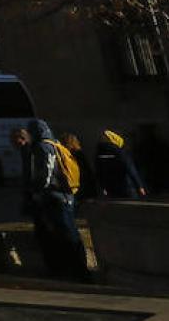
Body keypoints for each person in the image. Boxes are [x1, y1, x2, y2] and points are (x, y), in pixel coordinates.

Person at [17, 120, 89, 282]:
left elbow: (46, 174)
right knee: (67, 232)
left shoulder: (43, 147)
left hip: (56, 197)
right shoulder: (54, 143)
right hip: (64, 196)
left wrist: (37, 190)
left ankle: (79, 271)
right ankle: (76, 269)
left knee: (67, 233)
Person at [93, 129, 147, 199]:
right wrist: (140, 186)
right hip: (126, 187)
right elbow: (131, 169)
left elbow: (99, 172)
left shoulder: (99, 153)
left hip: (110, 188)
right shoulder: (120, 152)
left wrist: (102, 187)